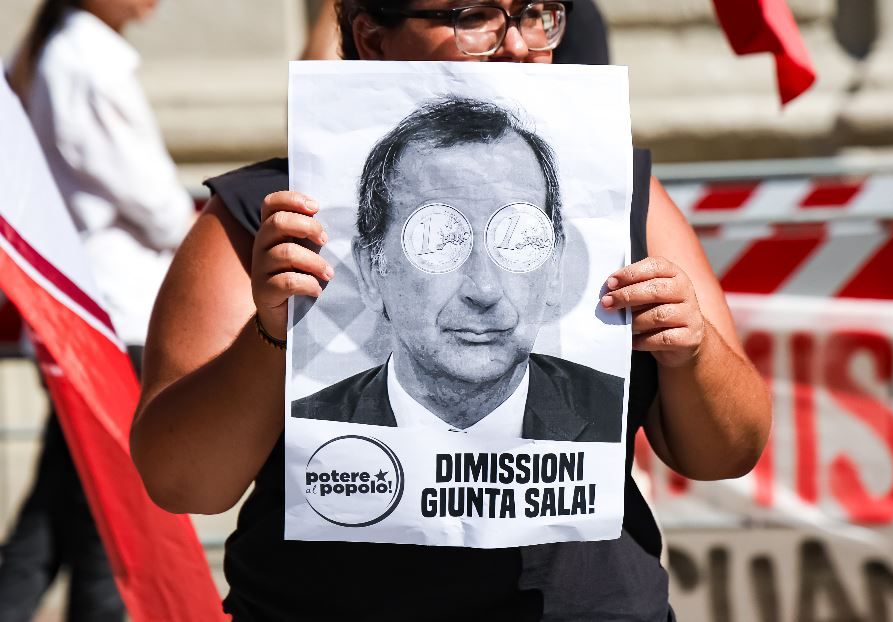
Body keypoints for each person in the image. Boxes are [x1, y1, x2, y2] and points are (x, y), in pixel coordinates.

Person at [131, 1, 772, 620]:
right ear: (372, 38)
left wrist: (695, 353)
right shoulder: (266, 214)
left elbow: (728, 452)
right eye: (473, 16)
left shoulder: (622, 198)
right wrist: (271, 336)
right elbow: (184, 483)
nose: (518, 43)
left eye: (535, 12)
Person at [1, 1, 193, 620]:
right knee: (107, 522)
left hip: (96, 311)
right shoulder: (86, 61)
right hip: (115, 316)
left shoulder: (59, 53)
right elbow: (158, 204)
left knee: (63, 507)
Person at [291, 96, 625, 441]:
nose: (484, 289)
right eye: (438, 241)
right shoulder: (305, 431)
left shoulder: (616, 412)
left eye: (517, 241)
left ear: (554, 266)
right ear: (371, 271)